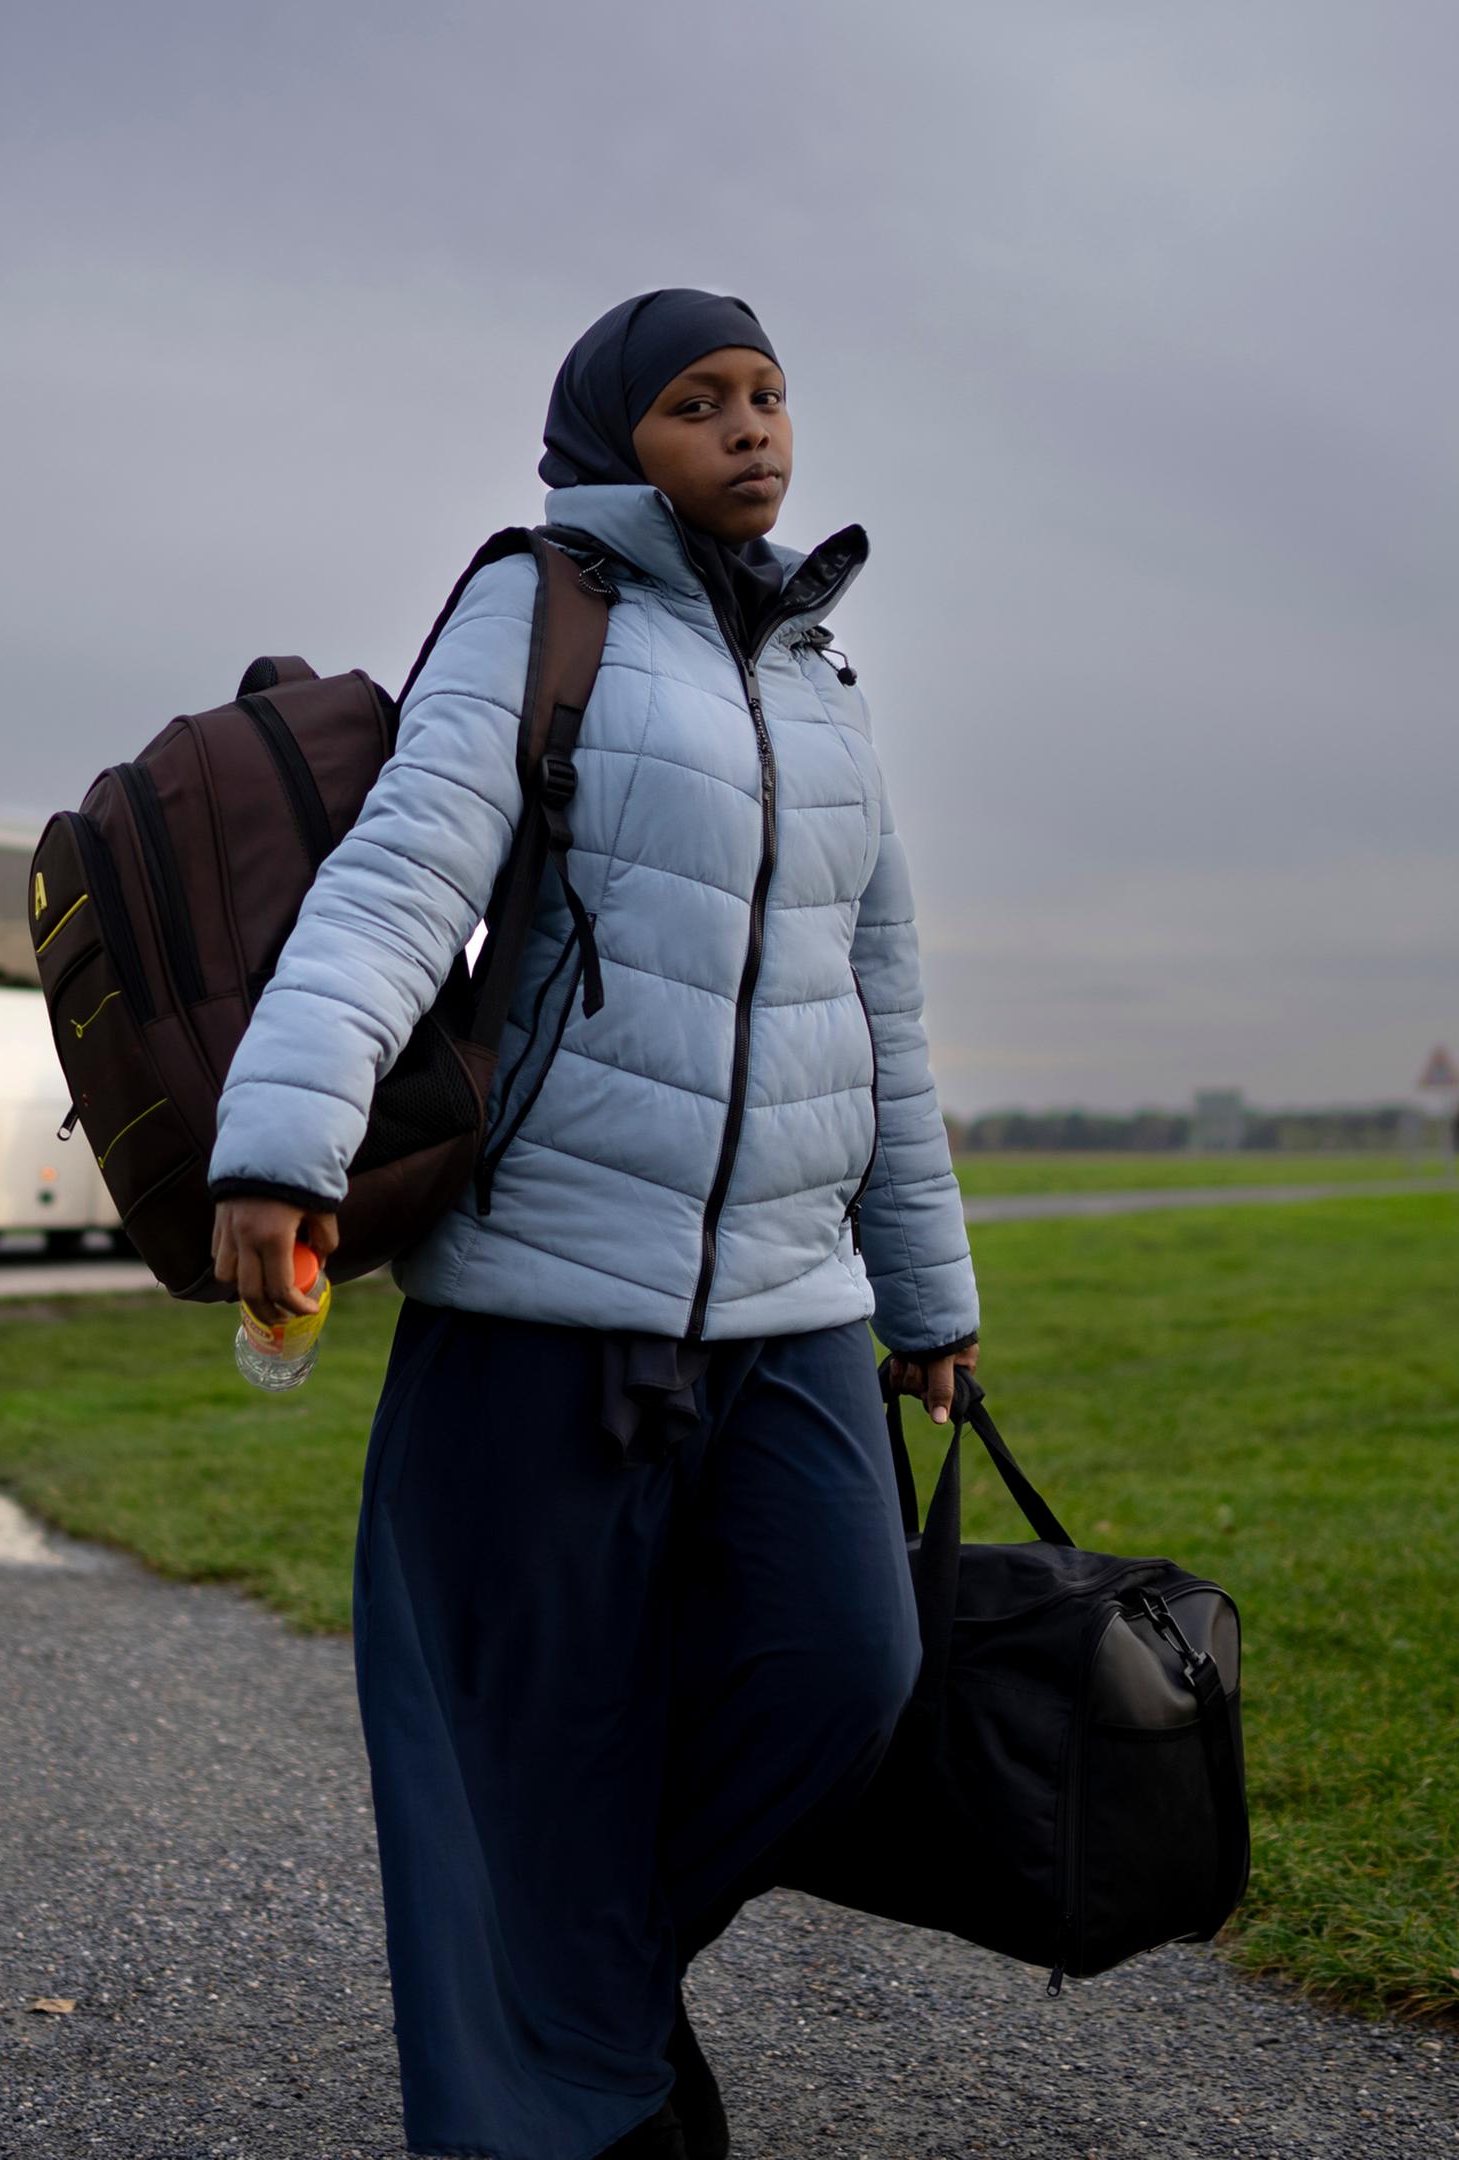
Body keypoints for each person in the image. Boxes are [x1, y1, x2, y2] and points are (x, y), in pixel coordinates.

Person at [204, 290, 986, 2160]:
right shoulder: (543, 605)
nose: (751, 429)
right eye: (701, 401)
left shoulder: (822, 677)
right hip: (550, 1299)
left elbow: (875, 1014)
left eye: (771, 395)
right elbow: (408, 870)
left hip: (789, 1303)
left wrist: (926, 1295)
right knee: (521, 1748)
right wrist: (286, 1133)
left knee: (844, 1679)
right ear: (610, 434)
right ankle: (574, 2099)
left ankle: (592, 2001)